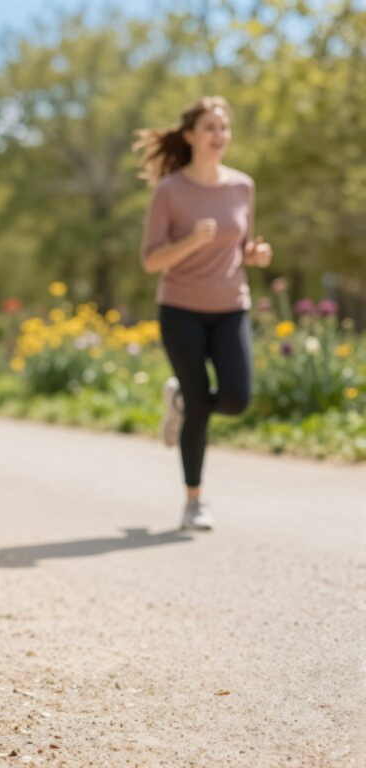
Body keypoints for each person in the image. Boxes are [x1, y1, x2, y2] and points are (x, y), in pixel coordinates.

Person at [135, 96, 272, 531]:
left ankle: (178, 399)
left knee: (236, 398)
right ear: (190, 136)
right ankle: (194, 502)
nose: (219, 135)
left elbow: (241, 245)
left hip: (230, 306)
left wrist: (255, 254)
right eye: (210, 127)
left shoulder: (242, 186)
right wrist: (190, 242)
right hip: (181, 309)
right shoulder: (170, 191)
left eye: (223, 127)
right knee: (200, 404)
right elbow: (151, 260)